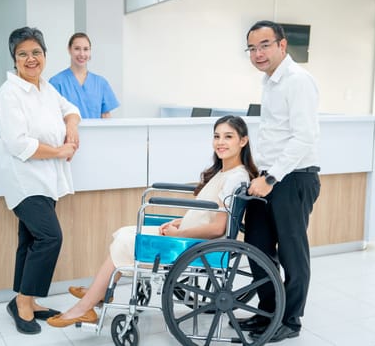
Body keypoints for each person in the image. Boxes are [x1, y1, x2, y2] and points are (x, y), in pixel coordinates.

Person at [46, 115, 259, 327]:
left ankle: (86, 306)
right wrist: (179, 223)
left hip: (195, 243)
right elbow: (206, 213)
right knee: (124, 233)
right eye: (217, 136)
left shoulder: (234, 178)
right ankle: (97, 292)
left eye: (228, 137)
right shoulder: (225, 172)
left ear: (243, 141)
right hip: (189, 234)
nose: (220, 142)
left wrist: (180, 233)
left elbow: (218, 227)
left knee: (128, 241)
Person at [0, 26, 82, 335]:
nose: (30, 59)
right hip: (24, 180)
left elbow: (70, 109)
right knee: (49, 238)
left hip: (45, 178)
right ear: (14, 59)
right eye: (23, 54)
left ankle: (25, 300)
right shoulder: (10, 93)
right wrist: (59, 150)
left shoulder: (45, 87)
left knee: (30, 240)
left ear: (44, 55)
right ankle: (23, 301)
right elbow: (19, 144)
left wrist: (72, 126)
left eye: (36, 52)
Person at [237, 20, 321, 343]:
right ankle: (268, 313)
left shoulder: (298, 81)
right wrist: (259, 174)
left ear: (282, 45)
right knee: (257, 246)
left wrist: (271, 177)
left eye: (264, 45)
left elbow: (303, 138)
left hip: (293, 178)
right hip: (267, 178)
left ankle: (291, 320)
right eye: (252, 48)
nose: (258, 53)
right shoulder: (269, 81)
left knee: (292, 253)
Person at [49, 32, 119, 119]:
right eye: (77, 49)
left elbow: (106, 117)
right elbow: (51, 117)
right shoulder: (56, 82)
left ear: (90, 51)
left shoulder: (101, 83)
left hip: (95, 132)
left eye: (86, 49)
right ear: (69, 50)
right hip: (68, 132)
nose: (82, 54)